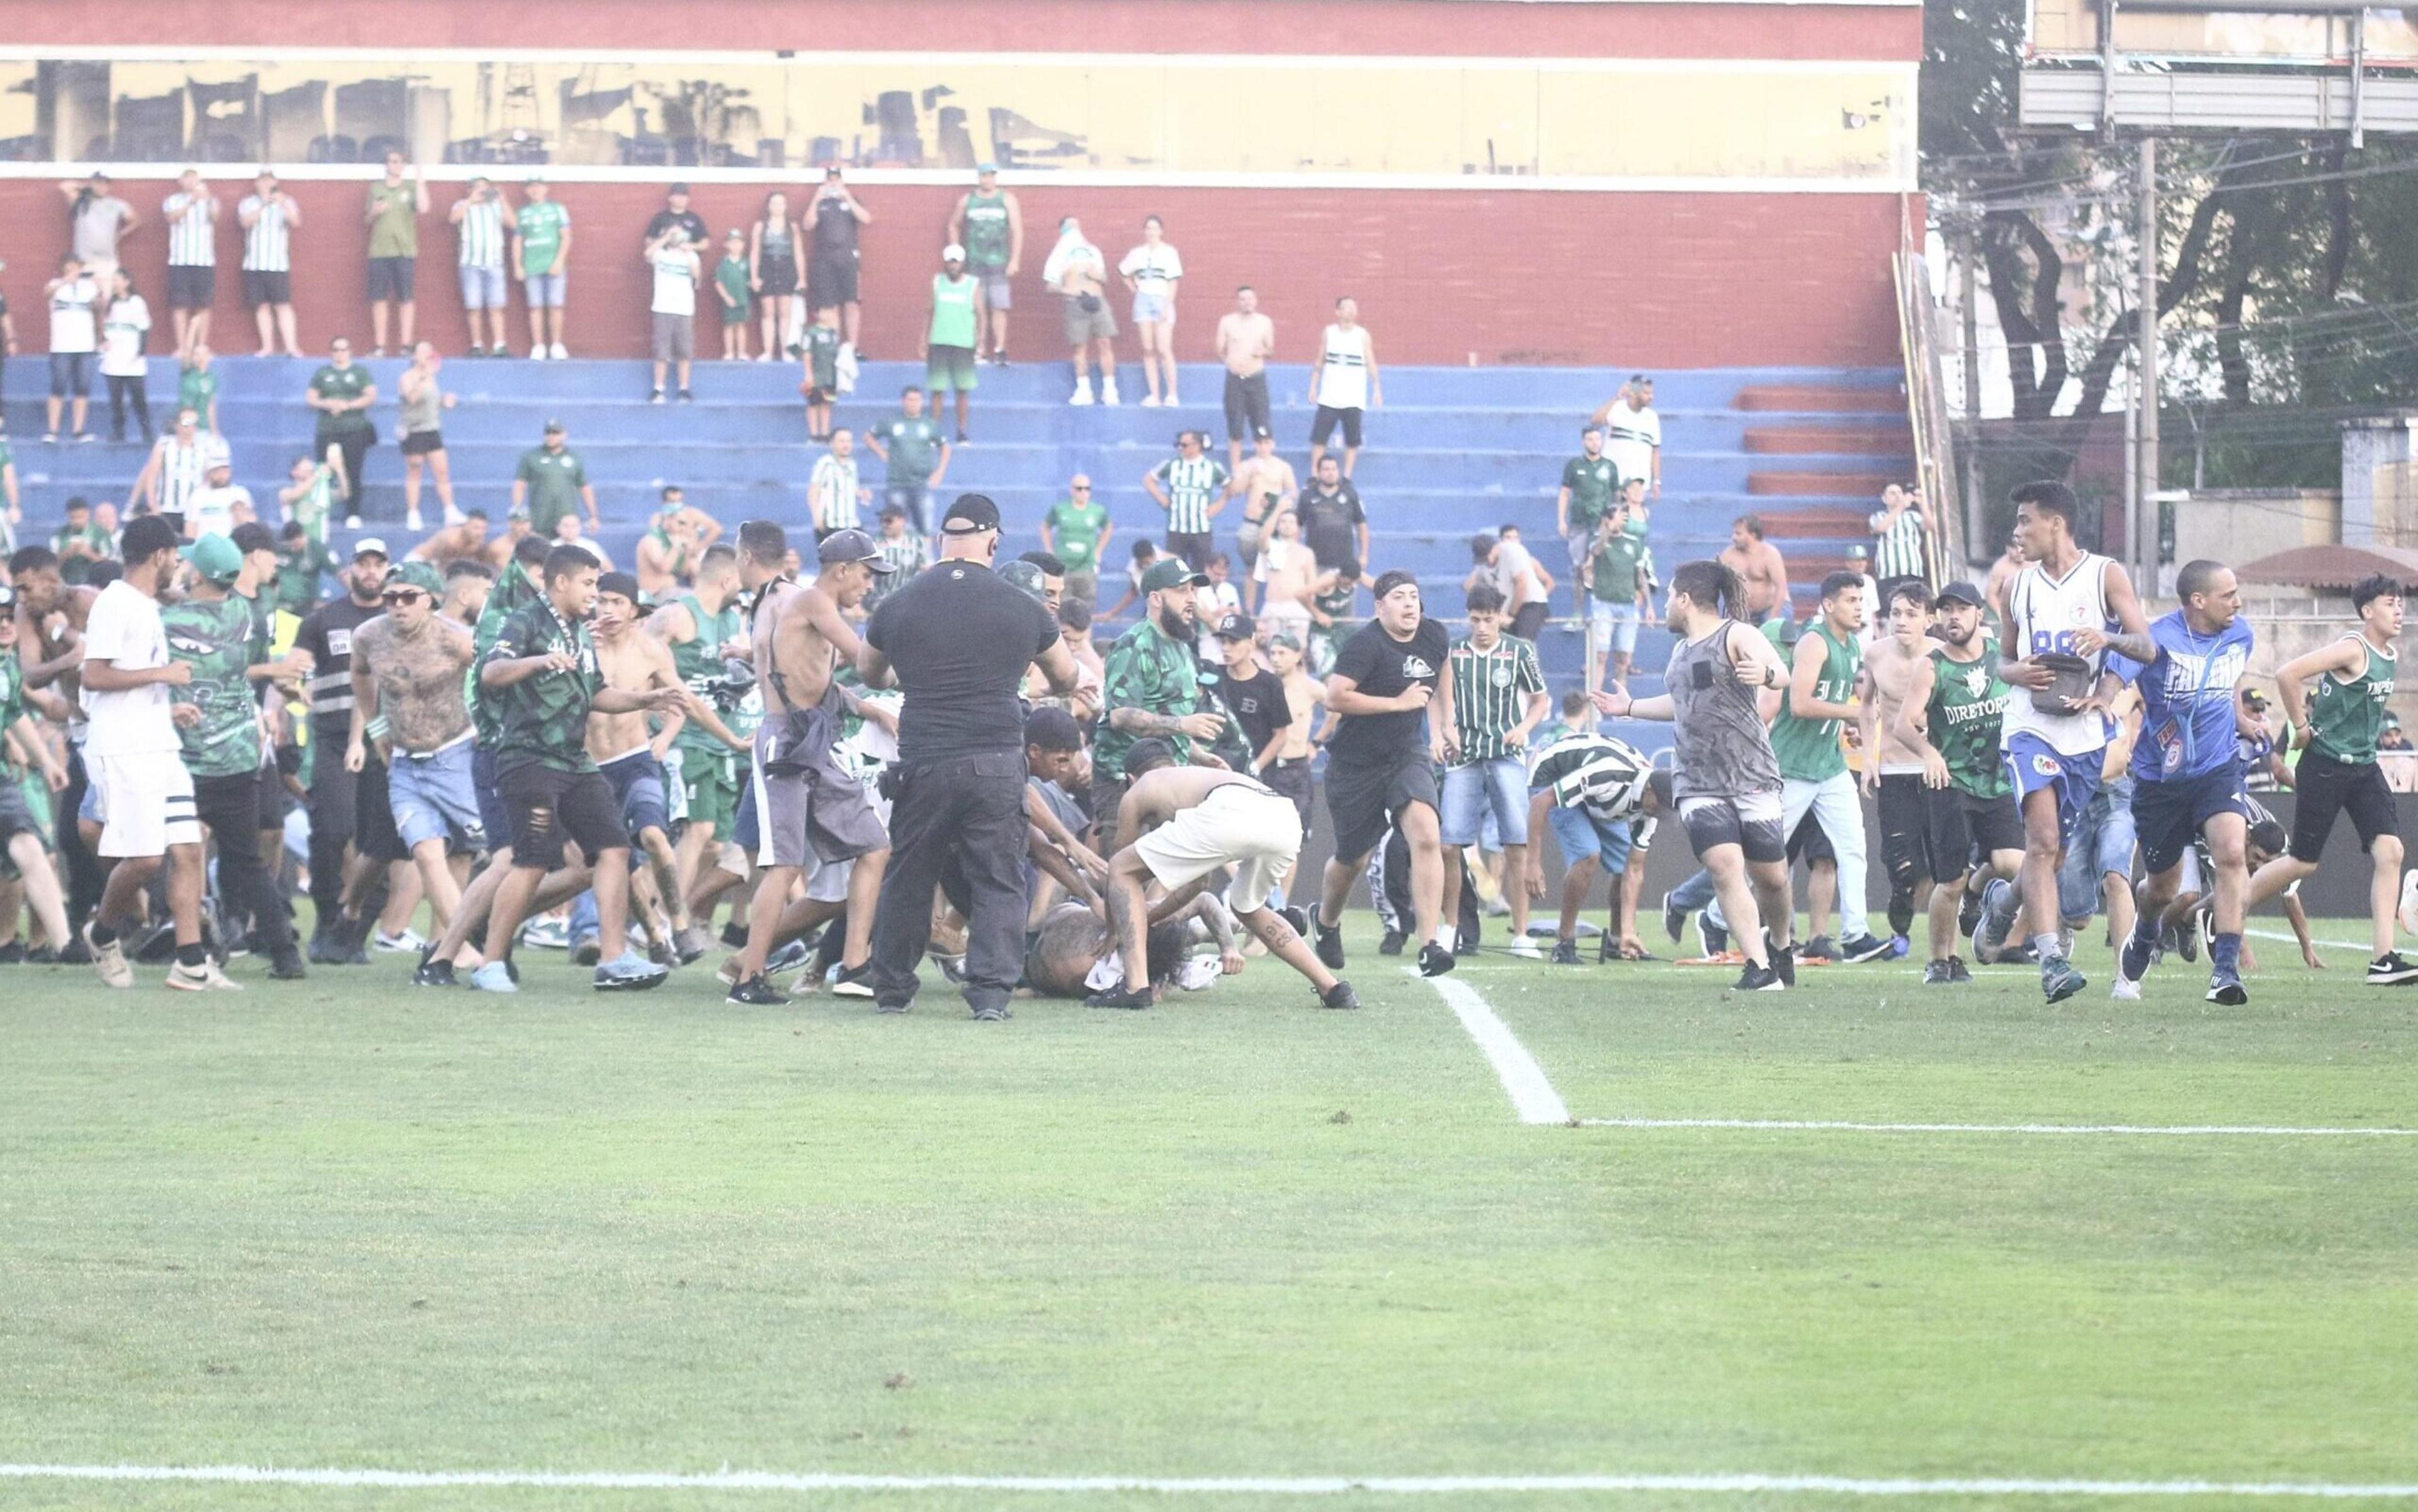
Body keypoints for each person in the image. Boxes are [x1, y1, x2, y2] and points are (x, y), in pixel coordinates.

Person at [857, 494, 1080, 1020]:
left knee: (909, 875)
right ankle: (990, 995)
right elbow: (1068, 676)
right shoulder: (1023, 606)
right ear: (994, 541)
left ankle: (891, 989)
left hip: (924, 759)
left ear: (942, 539)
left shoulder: (899, 602)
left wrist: (911, 675)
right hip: (996, 761)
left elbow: (870, 672)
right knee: (998, 878)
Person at [1970, 479, 2154, 1004]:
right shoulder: (2017, 586)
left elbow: (2146, 646)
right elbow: (2003, 660)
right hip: (2030, 726)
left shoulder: (2104, 573)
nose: (2017, 531)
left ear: (2057, 522)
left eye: (2026, 519)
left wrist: (2108, 647)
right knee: (2044, 840)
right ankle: (2051, 960)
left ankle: (2003, 902)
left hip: (2085, 737)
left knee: (2049, 857)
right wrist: (2017, 673)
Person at [472, 545, 682, 992]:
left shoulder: (580, 632)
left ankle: (613, 958)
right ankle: (489, 963)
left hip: (574, 760)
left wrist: (645, 700)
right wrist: (537, 661)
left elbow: (597, 693)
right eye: (589, 584)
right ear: (561, 582)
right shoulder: (527, 620)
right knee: (532, 862)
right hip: (529, 758)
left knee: (614, 848)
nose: (595, 593)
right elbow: (491, 672)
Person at [1595, 560, 1795, 991]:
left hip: (1751, 773)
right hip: (1697, 779)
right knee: (1725, 865)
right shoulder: (1680, 651)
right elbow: (1680, 702)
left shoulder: (1737, 633)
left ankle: (1779, 943)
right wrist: (1628, 707)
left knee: (1773, 879)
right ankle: (1758, 966)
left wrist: (1764, 674)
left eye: (1668, 596)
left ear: (1685, 599)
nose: (1665, 604)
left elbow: (1783, 674)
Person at [725, 525, 896, 1004]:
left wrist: (873, 708)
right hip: (787, 744)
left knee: (874, 845)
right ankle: (747, 978)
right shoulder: (814, 601)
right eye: (866, 574)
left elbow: (812, 682)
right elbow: (864, 660)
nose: (869, 585)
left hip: (812, 741)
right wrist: (915, 661)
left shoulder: (800, 605)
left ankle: (855, 964)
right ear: (841, 570)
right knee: (784, 865)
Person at [1083, 736, 1356, 1009]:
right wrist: (1149, 917)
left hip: (1229, 812)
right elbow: (1199, 882)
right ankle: (1333, 989)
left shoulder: (1138, 790)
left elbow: (1119, 871)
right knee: (1248, 908)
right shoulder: (1192, 778)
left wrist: (1114, 929)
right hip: (1283, 816)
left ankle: (1135, 987)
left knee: (1121, 867)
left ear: (1130, 777)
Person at [77, 514, 227, 990]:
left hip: (159, 744)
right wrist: (160, 677)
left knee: (188, 848)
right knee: (144, 859)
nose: (179, 565)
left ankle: (191, 963)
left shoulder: (145, 606)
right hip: (123, 748)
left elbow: (132, 679)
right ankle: (102, 934)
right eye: (176, 556)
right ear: (160, 555)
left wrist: (168, 705)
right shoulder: (115, 604)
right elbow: (93, 676)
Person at [2246, 572, 2418, 984]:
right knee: (2304, 861)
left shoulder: (2389, 654)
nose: (2400, 609)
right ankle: (2227, 910)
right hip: (2324, 764)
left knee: (2391, 852)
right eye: (2390, 602)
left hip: (2364, 766)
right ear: (2366, 610)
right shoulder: (2351, 649)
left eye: (2402, 602)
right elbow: (2288, 674)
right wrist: (2300, 726)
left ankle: (2383, 960)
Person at [2099, 560, 2257, 1004]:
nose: (2238, 602)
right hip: (2159, 778)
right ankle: (2145, 930)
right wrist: (2100, 700)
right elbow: (2118, 673)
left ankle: (2224, 972)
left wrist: (2241, 717)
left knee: (2229, 853)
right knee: (2163, 890)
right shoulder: (2158, 638)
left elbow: (2232, 672)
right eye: (2229, 595)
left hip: (2217, 766)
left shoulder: (2241, 634)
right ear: (2198, 601)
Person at [156, 533, 298, 980]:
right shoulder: (243, 611)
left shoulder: (170, 619)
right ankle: (285, 953)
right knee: (247, 861)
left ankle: (191, 943)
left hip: (189, 758)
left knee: (183, 854)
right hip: (239, 756)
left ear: (198, 573)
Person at [1310, 571, 1455, 977]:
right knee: (1352, 860)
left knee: (1427, 833)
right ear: (1379, 606)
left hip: (1406, 753)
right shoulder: (1364, 644)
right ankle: (1325, 923)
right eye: (1398, 597)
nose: (1409, 603)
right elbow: (1335, 696)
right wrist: (1397, 703)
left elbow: (1443, 666)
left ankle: (1429, 944)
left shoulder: (1433, 634)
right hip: (1355, 764)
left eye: (1414, 595)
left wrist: (1448, 723)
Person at [345, 555, 484, 948]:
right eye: (391, 598)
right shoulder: (369, 636)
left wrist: (488, 728)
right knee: (426, 850)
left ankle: (450, 947)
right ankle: (463, 950)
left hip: (455, 754)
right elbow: (358, 672)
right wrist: (376, 727)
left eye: (409, 597)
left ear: (432, 600)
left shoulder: (454, 638)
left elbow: (495, 676)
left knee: (465, 855)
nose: (398, 606)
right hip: (404, 761)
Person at [1895, 579, 2023, 985]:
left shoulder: (2002, 656)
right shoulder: (1934, 666)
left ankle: (1976, 893)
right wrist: (1929, 752)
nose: (1953, 617)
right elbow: (1903, 724)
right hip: (1952, 782)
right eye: (1946, 610)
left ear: (1978, 615)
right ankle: (1941, 960)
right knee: (1949, 879)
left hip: (1999, 780)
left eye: (1961, 609)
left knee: (2012, 865)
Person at [1767, 571, 1889, 964]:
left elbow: (1846, 708)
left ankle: (1856, 935)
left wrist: (1862, 749)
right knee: (1764, 851)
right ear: (1828, 605)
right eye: (1851, 600)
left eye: (1861, 600)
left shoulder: (1852, 645)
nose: (1860, 607)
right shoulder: (1814, 643)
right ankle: (1716, 918)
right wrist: (1850, 714)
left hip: (1830, 767)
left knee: (1853, 848)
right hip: (1793, 766)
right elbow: (1800, 704)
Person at [584, 572, 698, 967]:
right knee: (618, 858)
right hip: (591, 767)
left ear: (635, 610)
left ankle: (680, 924)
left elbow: (679, 700)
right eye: (601, 601)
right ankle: (654, 936)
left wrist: (666, 735)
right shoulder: (582, 644)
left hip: (636, 758)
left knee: (653, 835)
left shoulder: (651, 651)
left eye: (617, 602)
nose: (608, 610)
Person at [649, 543, 753, 956]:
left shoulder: (732, 620)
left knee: (714, 844)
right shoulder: (677, 615)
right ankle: (659, 922)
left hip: (720, 743)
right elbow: (634, 662)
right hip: (684, 738)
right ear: (727, 578)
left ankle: (670, 914)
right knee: (700, 831)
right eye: (740, 581)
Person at [292, 538, 391, 962]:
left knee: (379, 843)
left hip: (386, 741)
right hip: (334, 739)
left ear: (388, 568)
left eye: (378, 564)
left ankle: (356, 931)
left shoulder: (397, 618)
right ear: (350, 569)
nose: (370, 571)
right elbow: (294, 668)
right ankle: (327, 918)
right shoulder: (323, 619)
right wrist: (292, 689)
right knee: (331, 831)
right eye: (363, 563)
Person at [1441, 583, 1549, 957]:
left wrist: (1524, 728)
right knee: (1449, 844)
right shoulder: (1453, 651)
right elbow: (1442, 698)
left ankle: (1521, 934)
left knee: (1516, 844)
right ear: (1468, 618)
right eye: (1476, 620)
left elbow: (1540, 700)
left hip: (1506, 755)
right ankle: (1450, 928)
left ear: (1501, 618)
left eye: (1489, 620)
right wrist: (1445, 729)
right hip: (1465, 755)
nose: (1482, 627)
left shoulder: (1520, 651)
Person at [1524, 706, 1671, 964]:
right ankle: (1565, 942)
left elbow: (1634, 870)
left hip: (1597, 796)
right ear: (1649, 791)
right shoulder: (1609, 776)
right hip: (1553, 776)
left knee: (1623, 861)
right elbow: (1540, 802)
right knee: (1588, 854)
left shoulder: (1652, 808)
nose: (1659, 815)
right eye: (1658, 808)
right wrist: (1533, 863)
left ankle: (1619, 940)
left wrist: (1629, 930)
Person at [1093, 557, 1218, 850]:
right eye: (1182, 591)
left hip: (1170, 776)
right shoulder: (1134, 644)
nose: (1192, 599)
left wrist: (1198, 754)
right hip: (1125, 779)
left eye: (1193, 591)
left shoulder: (1182, 646)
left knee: (1174, 872)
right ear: (1156, 599)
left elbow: (1167, 712)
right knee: (1125, 870)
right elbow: (1120, 716)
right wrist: (1183, 725)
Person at [1859, 581, 1938, 952]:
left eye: (1911, 614)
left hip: (1936, 771)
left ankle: (1948, 933)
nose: (1901, 621)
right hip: (1892, 769)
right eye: (1895, 613)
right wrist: (1868, 759)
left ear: (1929, 619)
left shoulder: (1943, 655)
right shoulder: (1874, 654)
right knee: (1900, 864)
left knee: (1943, 861)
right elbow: (1867, 706)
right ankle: (1901, 916)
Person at [0, 584, 73, 964]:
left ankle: (63, 943)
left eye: (10, 616)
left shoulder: (8, 663)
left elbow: (13, 713)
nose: (5, 624)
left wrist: (45, 761)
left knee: (29, 846)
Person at [948, 164, 1022, 365]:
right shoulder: (967, 200)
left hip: (999, 262)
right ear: (978, 178)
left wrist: (1015, 259)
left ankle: (1000, 349)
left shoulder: (1007, 200)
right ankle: (979, 350)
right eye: (984, 176)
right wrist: (956, 252)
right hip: (974, 262)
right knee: (976, 308)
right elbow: (954, 224)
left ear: (995, 178)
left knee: (999, 307)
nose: (987, 180)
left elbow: (1016, 230)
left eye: (990, 176)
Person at [1586, 491, 1656, 693]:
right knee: (1600, 655)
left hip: (1628, 604)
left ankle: (1621, 702)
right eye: (1619, 517)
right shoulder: (1597, 539)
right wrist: (1608, 529)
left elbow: (1641, 575)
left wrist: (1649, 606)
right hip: (1603, 603)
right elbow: (1596, 551)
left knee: (1624, 658)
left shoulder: (1634, 543)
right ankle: (1595, 702)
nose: (1623, 520)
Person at [1043, 217, 1117, 406]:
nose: (1075, 228)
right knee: (1080, 348)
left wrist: (1096, 276)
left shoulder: (1093, 251)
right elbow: (1050, 285)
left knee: (1105, 343)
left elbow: (1105, 278)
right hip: (1075, 302)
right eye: (1070, 225)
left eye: (1076, 224)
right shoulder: (1059, 254)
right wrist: (1068, 290)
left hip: (1097, 300)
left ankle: (1110, 389)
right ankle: (1084, 390)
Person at [305, 338, 377, 528]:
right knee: (323, 471)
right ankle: (322, 510)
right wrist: (327, 404)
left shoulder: (360, 372)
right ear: (331, 352)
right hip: (327, 428)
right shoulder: (323, 373)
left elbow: (370, 395)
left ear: (350, 351)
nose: (340, 353)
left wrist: (347, 406)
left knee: (354, 471)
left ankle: (353, 512)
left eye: (344, 349)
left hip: (354, 428)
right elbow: (311, 398)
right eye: (336, 350)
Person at [363, 151, 428, 356]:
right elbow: (367, 220)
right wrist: (375, 211)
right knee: (379, 298)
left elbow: (424, 208)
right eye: (393, 161)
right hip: (380, 251)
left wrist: (420, 180)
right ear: (386, 165)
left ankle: (405, 345)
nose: (398, 165)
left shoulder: (409, 188)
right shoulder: (376, 188)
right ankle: (380, 346)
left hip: (404, 250)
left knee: (406, 298)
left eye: (401, 162)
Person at [864, 387, 950, 540]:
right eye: (910, 399)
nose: (913, 403)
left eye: (917, 400)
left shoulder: (929, 424)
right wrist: (883, 453)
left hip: (922, 483)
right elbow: (869, 436)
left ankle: (926, 561)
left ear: (922, 402)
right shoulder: (892, 422)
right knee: (895, 527)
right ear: (903, 401)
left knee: (925, 529)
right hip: (896, 483)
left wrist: (940, 471)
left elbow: (945, 447)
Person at [1307, 297, 1380, 477]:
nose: (1351, 311)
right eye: (1346, 307)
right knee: (1319, 438)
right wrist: (1313, 386)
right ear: (1337, 312)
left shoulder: (1362, 335)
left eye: (1354, 308)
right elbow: (1320, 360)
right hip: (1329, 397)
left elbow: (1371, 362)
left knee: (1352, 439)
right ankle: (1315, 476)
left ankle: (1347, 476)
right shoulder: (1329, 333)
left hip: (1353, 398)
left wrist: (1377, 389)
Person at [1118, 215, 1184, 407]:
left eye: (1155, 228)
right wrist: (1134, 288)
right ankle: (1154, 395)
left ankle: (1172, 394)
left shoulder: (1169, 252)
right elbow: (1123, 272)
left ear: (1161, 231)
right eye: (1148, 228)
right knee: (1148, 349)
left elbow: (1173, 281)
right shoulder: (1137, 253)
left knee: (1164, 348)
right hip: (1143, 301)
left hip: (1162, 299)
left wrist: (1166, 305)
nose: (1151, 232)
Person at [1144, 431, 1231, 574]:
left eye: (1184, 445)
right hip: (1176, 529)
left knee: (1202, 572)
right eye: (1179, 445)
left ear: (1197, 446)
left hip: (1201, 530)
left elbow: (1230, 487)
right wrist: (1162, 499)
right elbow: (1149, 480)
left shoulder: (1212, 466)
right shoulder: (1172, 464)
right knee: (1174, 572)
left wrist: (1218, 505)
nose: (1180, 448)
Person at [237, 168, 302, 359]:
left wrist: (283, 205)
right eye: (262, 180)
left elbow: (296, 222)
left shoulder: (287, 201)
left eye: (269, 180)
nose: (266, 184)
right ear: (256, 183)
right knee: (261, 306)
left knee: (283, 305)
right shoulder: (248, 203)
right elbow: (245, 223)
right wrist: (264, 204)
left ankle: (291, 346)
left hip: (278, 263)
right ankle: (267, 347)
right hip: (254, 263)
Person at [1556, 424, 1620, 614]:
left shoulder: (1610, 466)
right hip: (1579, 524)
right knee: (1579, 568)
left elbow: (1616, 497)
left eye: (1598, 439)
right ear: (1584, 441)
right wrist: (1561, 519)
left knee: (1602, 567)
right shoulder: (1574, 465)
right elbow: (1565, 493)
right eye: (1591, 439)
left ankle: (1601, 610)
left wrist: (1613, 522)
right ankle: (1577, 613)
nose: (1595, 443)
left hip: (1602, 524)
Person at [807, 166, 872, 348]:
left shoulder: (852, 200)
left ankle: (852, 346)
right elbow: (808, 224)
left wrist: (847, 197)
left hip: (848, 257)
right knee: (830, 304)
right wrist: (816, 199)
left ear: (842, 181)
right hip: (825, 258)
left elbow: (866, 218)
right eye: (830, 179)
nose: (833, 182)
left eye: (837, 179)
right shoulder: (821, 202)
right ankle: (833, 346)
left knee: (852, 303)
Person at [397, 343, 459, 531]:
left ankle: (450, 510)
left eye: (429, 351)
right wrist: (424, 376)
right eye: (422, 351)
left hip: (432, 429)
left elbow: (431, 401)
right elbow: (412, 399)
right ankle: (413, 514)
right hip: (414, 430)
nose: (427, 355)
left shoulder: (433, 378)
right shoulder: (407, 377)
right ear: (414, 356)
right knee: (415, 472)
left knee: (442, 471)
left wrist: (444, 401)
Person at [924, 244, 983, 443]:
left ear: (963, 262)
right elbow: (929, 311)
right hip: (939, 342)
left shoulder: (973, 285)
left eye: (956, 261)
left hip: (963, 344)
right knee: (937, 390)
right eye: (950, 261)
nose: (953, 265)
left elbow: (981, 315)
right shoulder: (937, 282)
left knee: (962, 391)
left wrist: (980, 341)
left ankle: (961, 431)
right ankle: (935, 432)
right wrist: (923, 339)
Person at [448, 175, 510, 358]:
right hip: (471, 263)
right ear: (470, 190)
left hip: (494, 262)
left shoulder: (496, 205)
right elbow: (453, 219)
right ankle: (477, 345)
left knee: (496, 306)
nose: (482, 191)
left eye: (485, 187)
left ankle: (499, 345)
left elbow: (512, 223)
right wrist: (470, 200)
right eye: (477, 188)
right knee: (473, 306)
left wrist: (503, 201)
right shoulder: (462, 204)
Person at [1215, 287, 1276, 470]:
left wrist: (1263, 351)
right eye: (1242, 299)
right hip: (1235, 379)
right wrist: (1230, 363)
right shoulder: (1227, 321)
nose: (1247, 302)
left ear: (1256, 301)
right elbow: (1219, 349)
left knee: (1262, 422)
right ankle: (1236, 468)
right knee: (1235, 423)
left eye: (1250, 299)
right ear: (1237, 302)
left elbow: (1271, 349)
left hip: (1256, 378)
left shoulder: (1265, 322)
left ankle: (1264, 465)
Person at [44, 255, 101, 445]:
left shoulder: (88, 288)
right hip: (61, 346)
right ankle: (52, 431)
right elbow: (46, 294)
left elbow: (101, 307)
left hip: (85, 346)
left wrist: (99, 288)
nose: (73, 271)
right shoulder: (55, 285)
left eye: (76, 268)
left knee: (82, 389)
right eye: (69, 268)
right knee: (58, 388)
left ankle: (78, 430)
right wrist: (64, 282)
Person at [161, 168, 217, 360]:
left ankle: (201, 345)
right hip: (179, 259)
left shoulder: (210, 200)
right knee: (180, 305)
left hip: (204, 259)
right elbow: (171, 218)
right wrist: (192, 201)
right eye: (188, 178)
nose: (192, 182)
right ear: (181, 181)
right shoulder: (173, 200)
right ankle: (183, 346)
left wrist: (207, 200)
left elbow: (215, 217)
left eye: (195, 179)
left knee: (204, 304)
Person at [514, 177, 572, 360]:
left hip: (554, 265)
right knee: (535, 306)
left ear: (546, 189)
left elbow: (566, 237)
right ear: (526, 191)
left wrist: (559, 261)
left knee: (556, 305)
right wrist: (518, 265)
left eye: (538, 186)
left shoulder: (557, 209)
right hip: (532, 265)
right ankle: (538, 346)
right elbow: (517, 240)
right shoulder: (522, 213)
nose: (535, 190)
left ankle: (556, 344)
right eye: (531, 187)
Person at [511, 420, 596, 540]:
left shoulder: (574, 458)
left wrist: (593, 515)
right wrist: (518, 511)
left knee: (567, 556)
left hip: (566, 522)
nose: (551, 436)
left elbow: (584, 487)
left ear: (564, 435)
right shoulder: (531, 457)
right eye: (548, 433)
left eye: (555, 433)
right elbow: (520, 484)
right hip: (540, 519)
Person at [128, 408, 215, 525]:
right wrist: (153, 505)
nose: (191, 428)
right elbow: (151, 477)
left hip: (193, 512)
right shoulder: (164, 446)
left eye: (194, 424)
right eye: (186, 423)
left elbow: (208, 478)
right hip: (167, 509)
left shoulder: (203, 448)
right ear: (177, 425)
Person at [1230, 428, 1297, 577]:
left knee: (1278, 569)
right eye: (1260, 443)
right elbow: (1236, 491)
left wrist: (1275, 502)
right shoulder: (1246, 466)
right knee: (1251, 570)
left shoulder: (1282, 467)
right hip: (1252, 521)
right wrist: (1250, 474)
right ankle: (1249, 602)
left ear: (1273, 444)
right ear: (1254, 444)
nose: (1263, 447)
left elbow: (1292, 493)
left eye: (1267, 443)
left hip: (1274, 524)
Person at [645, 225, 700, 404]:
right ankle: (658, 388)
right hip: (663, 307)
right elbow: (647, 254)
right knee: (662, 350)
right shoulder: (661, 255)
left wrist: (688, 251)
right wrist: (665, 238)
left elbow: (697, 277)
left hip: (684, 308)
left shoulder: (691, 256)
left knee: (684, 350)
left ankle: (684, 388)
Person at [1041, 474, 1112, 611]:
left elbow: (1108, 528)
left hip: (1086, 567)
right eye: (1079, 489)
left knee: (1086, 610)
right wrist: (1049, 549)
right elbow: (1045, 527)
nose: (1083, 492)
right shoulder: (1060, 509)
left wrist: (1098, 551)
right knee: (1060, 608)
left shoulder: (1097, 511)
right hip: (1063, 567)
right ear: (1072, 490)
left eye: (1087, 489)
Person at [98, 270, 152, 447]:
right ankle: (118, 432)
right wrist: (104, 342)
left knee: (138, 398)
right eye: (113, 280)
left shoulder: (137, 303)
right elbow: (104, 327)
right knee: (116, 399)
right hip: (113, 359)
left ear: (127, 282)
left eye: (118, 280)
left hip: (132, 359)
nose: (115, 283)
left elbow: (144, 328)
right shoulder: (110, 304)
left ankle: (147, 431)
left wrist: (141, 352)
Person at [1295, 455, 1368, 584]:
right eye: (1327, 469)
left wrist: (1363, 555)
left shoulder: (1350, 493)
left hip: (1345, 564)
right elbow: (1297, 526)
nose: (1331, 473)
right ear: (1318, 473)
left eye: (1334, 469)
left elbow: (1361, 526)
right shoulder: (1307, 495)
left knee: (1344, 602)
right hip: (1316, 564)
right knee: (1313, 601)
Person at [749, 191, 800, 365]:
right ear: (768, 206)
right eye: (774, 203)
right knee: (768, 312)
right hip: (767, 268)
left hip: (786, 268)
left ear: (786, 207)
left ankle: (786, 351)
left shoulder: (792, 227)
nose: (778, 207)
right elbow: (755, 253)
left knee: (786, 313)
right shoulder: (760, 226)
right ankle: (768, 351)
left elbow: (798, 253)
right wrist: (754, 276)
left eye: (781, 203)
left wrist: (802, 277)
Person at [1592, 375, 1662, 498]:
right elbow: (1596, 421)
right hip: (1611, 481)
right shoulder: (1616, 408)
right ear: (1634, 393)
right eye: (1646, 393)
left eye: (1652, 393)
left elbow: (1655, 451)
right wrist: (1617, 397)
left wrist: (1656, 481)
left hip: (1638, 485)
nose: (1651, 397)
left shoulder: (1652, 417)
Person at [61, 173, 135, 287]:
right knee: (86, 299)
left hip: (108, 261)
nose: (102, 187)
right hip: (84, 262)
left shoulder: (116, 204)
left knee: (107, 298)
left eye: (105, 184)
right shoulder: (80, 203)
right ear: (92, 184)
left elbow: (135, 220)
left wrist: (121, 234)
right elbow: (64, 186)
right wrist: (86, 188)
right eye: (98, 183)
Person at [1720, 514, 1791, 625]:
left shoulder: (1769, 554)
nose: (1733, 537)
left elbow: (1781, 588)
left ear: (1752, 535)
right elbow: (1715, 581)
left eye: (1738, 534)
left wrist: (1773, 618)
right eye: (1733, 533)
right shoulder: (1729, 554)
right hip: (1742, 611)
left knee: (1774, 632)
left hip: (1772, 607)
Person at [1871, 482, 1935, 594]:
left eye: (1900, 493)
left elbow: (1930, 526)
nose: (1897, 496)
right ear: (1884, 499)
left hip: (1913, 573)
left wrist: (1923, 505)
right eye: (1893, 493)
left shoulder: (1913, 516)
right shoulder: (1878, 516)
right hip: (1888, 575)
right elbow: (1880, 528)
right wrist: (1901, 507)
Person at [809, 430, 870, 539]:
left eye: (849, 441)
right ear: (832, 443)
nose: (846, 445)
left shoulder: (852, 464)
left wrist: (862, 493)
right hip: (831, 525)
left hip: (852, 524)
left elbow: (852, 488)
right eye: (842, 441)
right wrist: (817, 518)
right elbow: (813, 491)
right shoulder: (826, 463)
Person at [798, 304, 843, 440]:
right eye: (825, 311)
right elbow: (807, 353)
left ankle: (824, 434)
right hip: (817, 375)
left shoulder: (833, 333)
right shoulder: (811, 332)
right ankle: (813, 434)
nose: (828, 314)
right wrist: (808, 374)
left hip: (830, 376)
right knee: (814, 403)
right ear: (817, 314)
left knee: (826, 404)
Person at [184, 457, 254, 541]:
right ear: (210, 473)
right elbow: (191, 527)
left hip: (231, 546)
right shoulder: (198, 495)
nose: (221, 475)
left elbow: (251, 525)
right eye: (217, 471)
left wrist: (240, 512)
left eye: (225, 471)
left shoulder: (241, 494)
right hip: (205, 547)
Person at [713, 229, 753, 361]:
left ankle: (741, 352)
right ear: (726, 245)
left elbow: (751, 280)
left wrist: (753, 284)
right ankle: (729, 352)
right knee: (729, 325)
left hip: (743, 299)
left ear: (743, 245)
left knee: (741, 325)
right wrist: (726, 297)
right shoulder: (724, 263)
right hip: (729, 300)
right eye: (732, 243)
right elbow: (718, 282)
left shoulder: (747, 262)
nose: (736, 246)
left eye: (739, 243)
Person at [642, 183, 708, 253]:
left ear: (688, 199)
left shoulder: (694, 218)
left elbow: (705, 243)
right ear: (670, 198)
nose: (681, 199)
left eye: (684, 196)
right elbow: (648, 241)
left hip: (686, 256)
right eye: (677, 195)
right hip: (663, 255)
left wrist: (692, 246)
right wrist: (664, 241)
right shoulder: (660, 218)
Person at [179, 342, 221, 435]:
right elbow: (185, 409)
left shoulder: (212, 378)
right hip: (190, 428)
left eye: (204, 354)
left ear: (210, 357)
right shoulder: (187, 375)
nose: (201, 358)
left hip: (204, 428)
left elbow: (211, 405)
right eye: (197, 354)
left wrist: (214, 429)